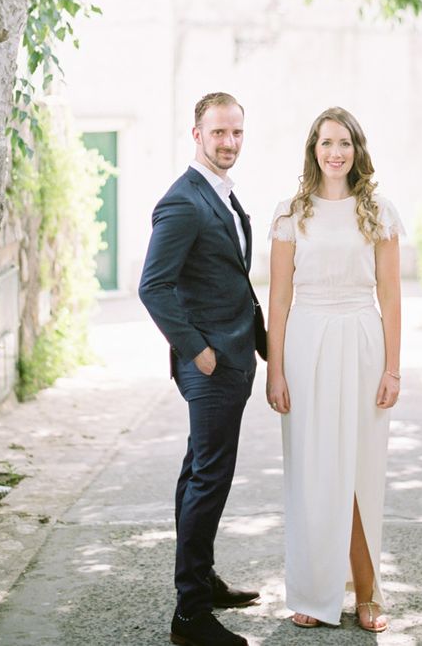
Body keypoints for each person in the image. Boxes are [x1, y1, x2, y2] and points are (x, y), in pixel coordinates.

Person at [266, 106, 403, 633]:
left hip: (364, 341)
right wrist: (275, 371)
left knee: (360, 471)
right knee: (312, 472)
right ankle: (314, 592)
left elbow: (390, 296)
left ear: (357, 149)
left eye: (344, 142)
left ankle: (366, 592)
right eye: (326, 142)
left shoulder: (379, 212)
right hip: (306, 345)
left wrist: (393, 369)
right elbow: (278, 301)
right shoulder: (290, 213)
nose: (335, 152)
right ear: (313, 149)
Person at [139, 91, 267, 646]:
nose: (229, 142)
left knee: (197, 473)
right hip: (210, 367)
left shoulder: (223, 195)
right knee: (209, 479)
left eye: (236, 132)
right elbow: (153, 286)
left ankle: (202, 580)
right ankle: (190, 615)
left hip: (234, 354)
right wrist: (197, 350)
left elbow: (230, 278)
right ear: (197, 134)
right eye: (218, 133)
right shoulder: (184, 201)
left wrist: (265, 342)